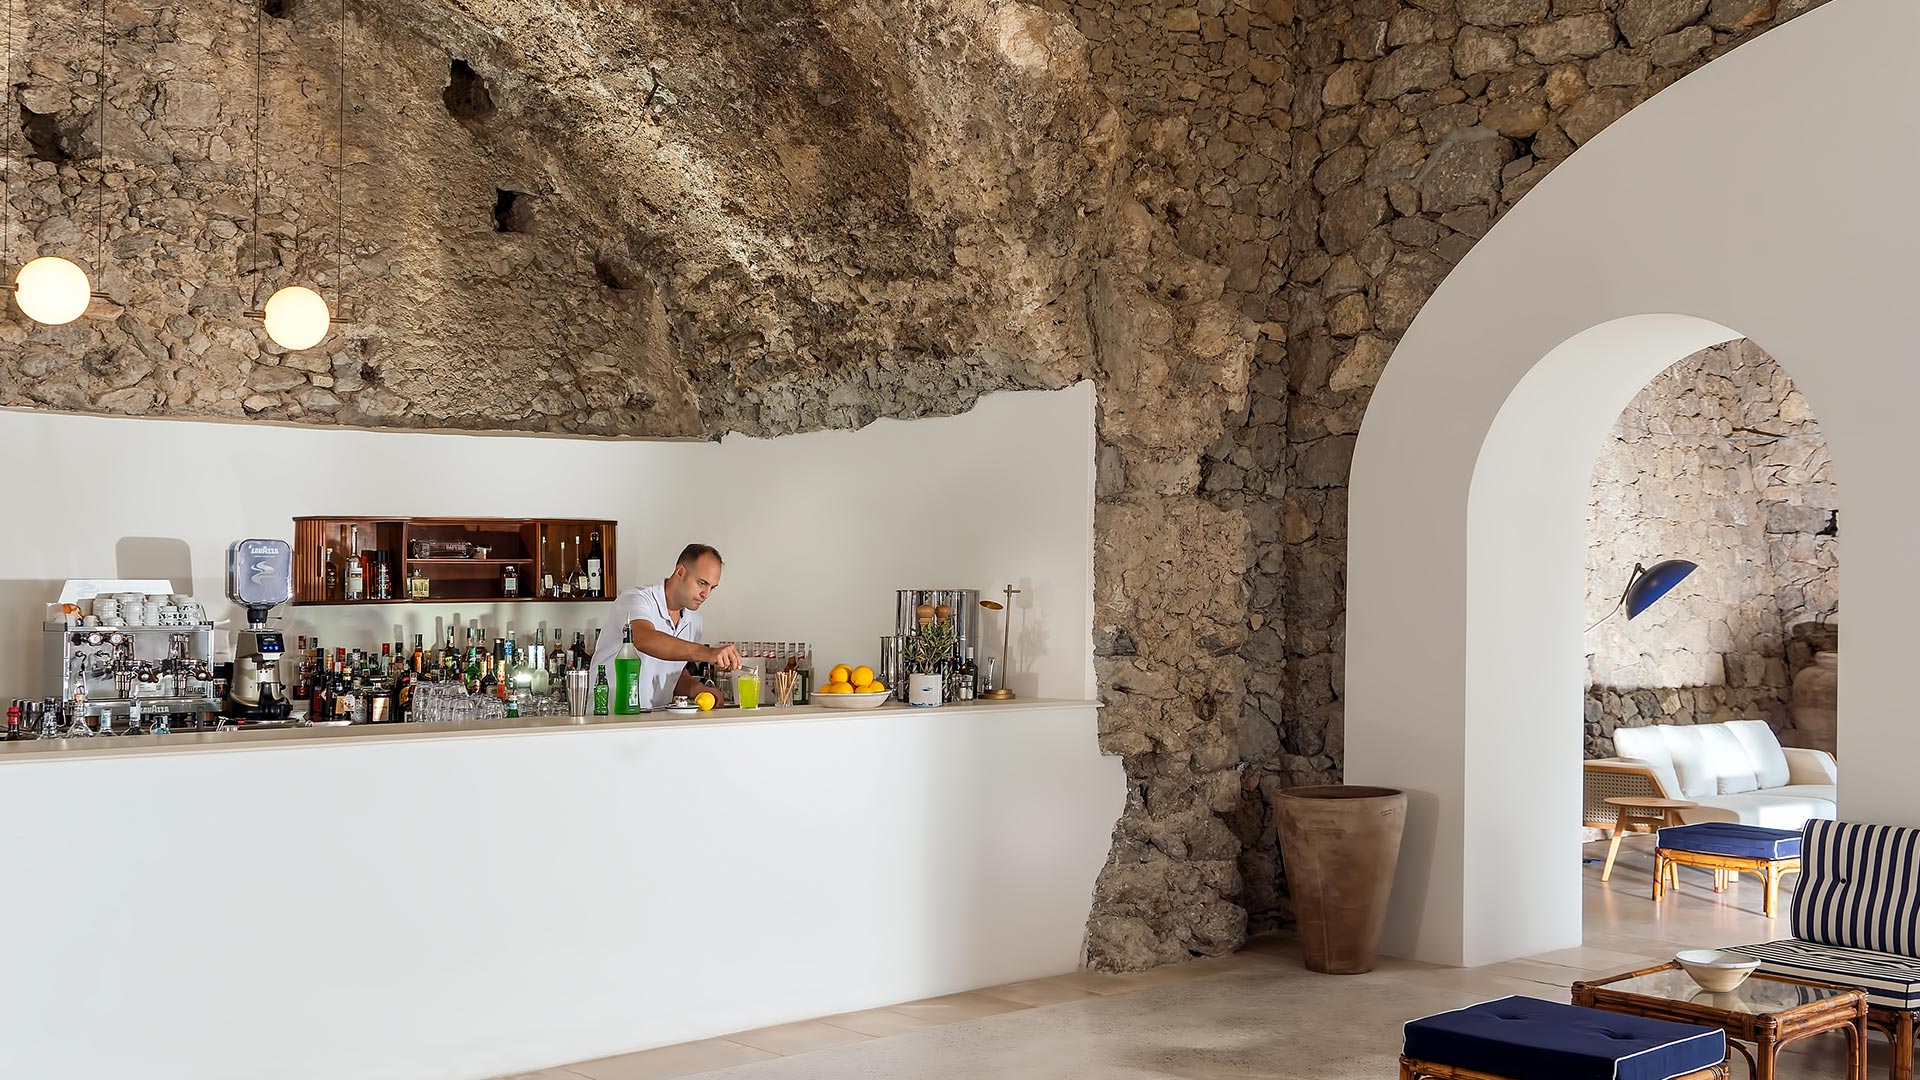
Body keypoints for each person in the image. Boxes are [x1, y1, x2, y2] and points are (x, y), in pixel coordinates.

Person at [588, 543, 741, 711]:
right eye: (702, 583)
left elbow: (671, 675)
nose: (706, 594)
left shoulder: (694, 622)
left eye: (712, 588)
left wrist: (697, 689)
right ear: (680, 572)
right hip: (607, 718)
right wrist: (708, 653)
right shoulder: (635, 599)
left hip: (655, 720)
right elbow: (643, 639)